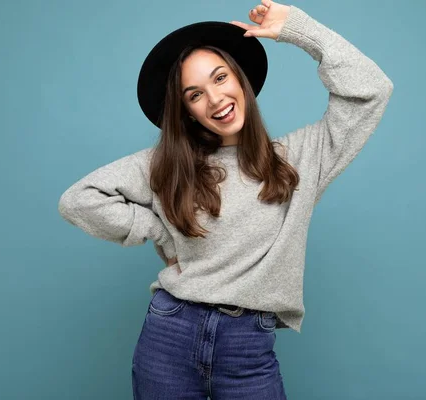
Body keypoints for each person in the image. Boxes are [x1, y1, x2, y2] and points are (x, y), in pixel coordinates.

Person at [58, 0, 393, 398]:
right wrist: (157, 230)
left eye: (220, 78)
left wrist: (299, 30)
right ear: (187, 111)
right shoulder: (169, 164)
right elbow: (78, 199)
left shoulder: (299, 158)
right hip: (169, 335)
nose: (215, 99)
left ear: (241, 79)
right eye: (195, 94)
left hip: (248, 349)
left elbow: (371, 91)